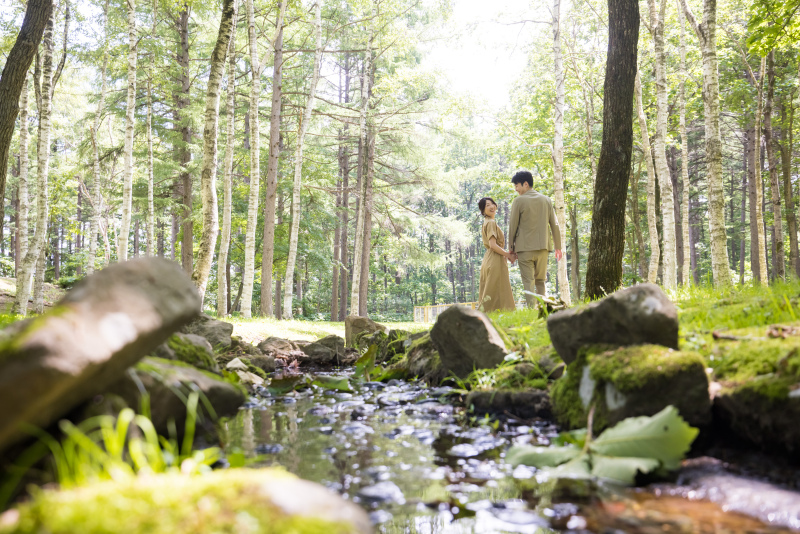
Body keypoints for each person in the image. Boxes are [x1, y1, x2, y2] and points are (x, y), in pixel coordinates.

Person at [507, 170, 562, 308]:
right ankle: (543, 309)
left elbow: (512, 226)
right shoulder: (546, 200)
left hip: (524, 248)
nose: (516, 189)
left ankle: (532, 310)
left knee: (528, 281)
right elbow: (554, 224)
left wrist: (511, 248)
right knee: (540, 281)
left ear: (526, 184)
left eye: (517, 185)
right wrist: (558, 247)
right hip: (543, 247)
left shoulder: (518, 201)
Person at [477, 197, 516, 312]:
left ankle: (494, 315)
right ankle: (482, 316)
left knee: (492, 288)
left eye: (492, 204)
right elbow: (493, 245)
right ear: (483, 211)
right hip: (494, 259)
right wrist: (508, 255)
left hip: (488, 259)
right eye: (487, 205)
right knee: (494, 289)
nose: (491, 206)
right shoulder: (491, 222)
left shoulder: (487, 222)